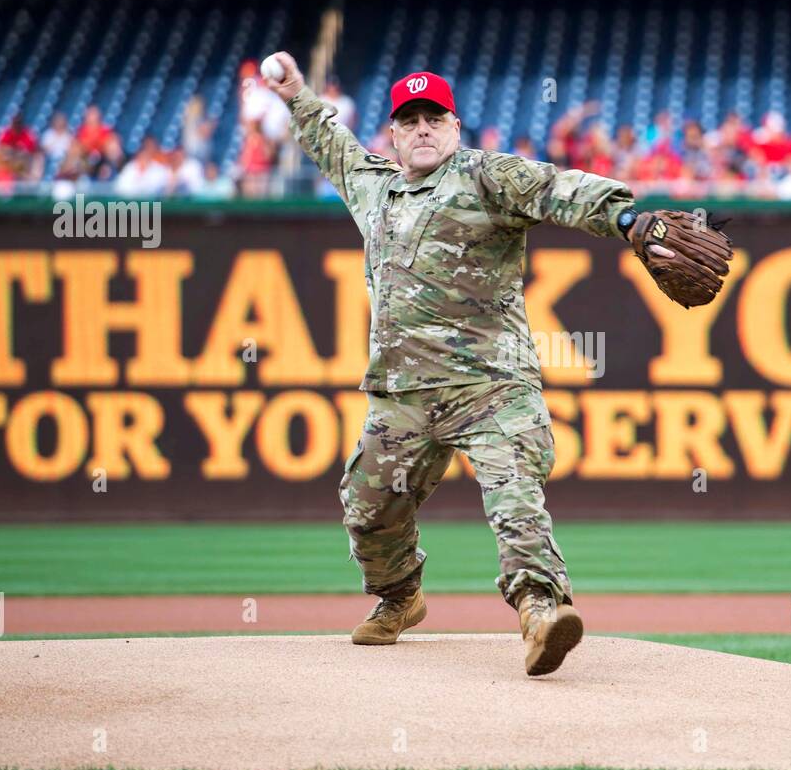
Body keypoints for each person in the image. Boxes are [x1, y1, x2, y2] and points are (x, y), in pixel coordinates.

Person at [264, 52, 670, 676]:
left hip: (492, 388)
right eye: (410, 119)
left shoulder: (485, 176)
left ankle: (540, 612)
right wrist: (296, 95)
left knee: (514, 494)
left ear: (454, 128)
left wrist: (625, 218)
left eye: (435, 117)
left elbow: (556, 189)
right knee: (368, 513)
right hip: (403, 397)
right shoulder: (375, 188)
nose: (423, 128)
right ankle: (400, 598)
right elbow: (329, 142)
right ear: (393, 136)